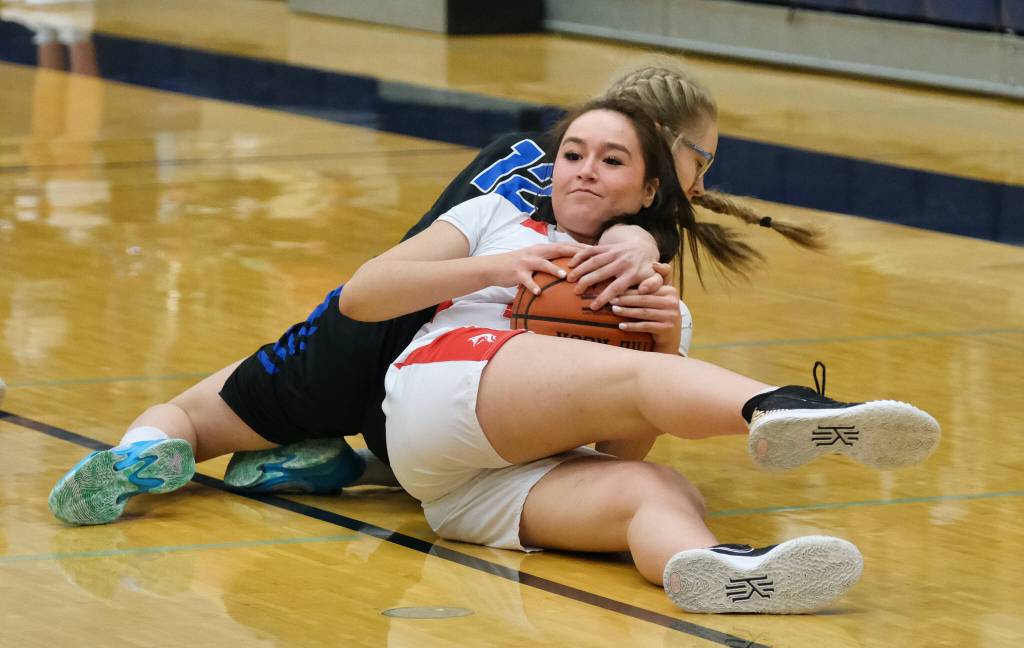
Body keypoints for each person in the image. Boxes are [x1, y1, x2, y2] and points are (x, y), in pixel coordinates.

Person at [50, 96, 939, 615]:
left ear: (650, 190)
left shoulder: (651, 296)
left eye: (611, 161)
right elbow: (362, 295)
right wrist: (498, 265)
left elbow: (624, 447)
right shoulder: (496, 221)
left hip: (464, 488)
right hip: (443, 387)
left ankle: (712, 572)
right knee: (640, 378)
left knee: (658, 491)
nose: (583, 170)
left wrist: (665, 332)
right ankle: (785, 408)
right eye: (572, 155)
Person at [220, 62, 822, 495]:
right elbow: (617, 443)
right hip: (410, 357)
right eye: (705, 161)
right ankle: (773, 406)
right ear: (662, 160)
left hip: (384, 343)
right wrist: (635, 243)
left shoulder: (527, 158)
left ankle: (176, 443)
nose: (704, 183)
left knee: (204, 414)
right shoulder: (623, 222)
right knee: (625, 405)